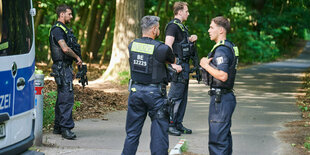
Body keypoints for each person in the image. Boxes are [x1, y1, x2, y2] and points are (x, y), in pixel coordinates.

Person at [122, 15, 176, 155]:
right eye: (158, 28)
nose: (158, 30)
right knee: (159, 136)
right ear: (153, 29)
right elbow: (172, 60)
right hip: (155, 95)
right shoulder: (161, 48)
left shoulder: (132, 45)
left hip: (135, 92)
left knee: (132, 134)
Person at [200, 16, 239, 155]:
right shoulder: (229, 46)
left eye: (211, 27)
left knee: (217, 140)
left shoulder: (222, 50)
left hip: (221, 100)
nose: (209, 30)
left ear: (221, 30)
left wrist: (205, 65)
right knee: (223, 138)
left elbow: (223, 75)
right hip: (225, 98)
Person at [49, 4, 82, 140]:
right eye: (69, 14)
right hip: (62, 68)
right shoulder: (57, 30)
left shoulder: (63, 29)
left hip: (64, 67)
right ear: (61, 14)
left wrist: (71, 67)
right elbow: (65, 49)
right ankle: (66, 128)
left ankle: (58, 127)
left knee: (62, 96)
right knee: (66, 98)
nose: (71, 16)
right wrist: (77, 58)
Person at [165, 1, 197, 136]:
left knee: (183, 97)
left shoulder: (182, 27)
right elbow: (168, 46)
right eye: (186, 11)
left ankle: (178, 123)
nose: (188, 13)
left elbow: (180, 44)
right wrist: (172, 64)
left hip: (184, 66)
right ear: (179, 12)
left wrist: (190, 40)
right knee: (175, 96)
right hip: (178, 65)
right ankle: (169, 124)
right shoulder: (173, 26)